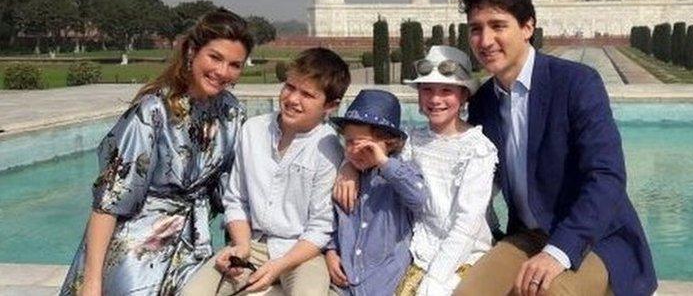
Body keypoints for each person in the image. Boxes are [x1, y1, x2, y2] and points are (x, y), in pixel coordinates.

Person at [454, 0, 657, 296]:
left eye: (497, 26)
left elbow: (607, 177)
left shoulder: (575, 84)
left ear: (527, 27)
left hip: (594, 238)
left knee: (549, 293)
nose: (485, 40)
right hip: (529, 236)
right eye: (476, 28)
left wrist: (559, 251)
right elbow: (457, 163)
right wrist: (357, 165)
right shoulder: (483, 103)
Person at [60, 8, 254, 296]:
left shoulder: (233, 114)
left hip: (194, 251)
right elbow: (109, 201)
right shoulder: (153, 112)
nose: (222, 72)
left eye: (234, 64)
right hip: (138, 251)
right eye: (215, 57)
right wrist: (92, 282)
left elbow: (234, 192)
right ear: (192, 51)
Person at [181, 47, 351, 296]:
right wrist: (240, 247)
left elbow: (320, 227)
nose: (293, 99)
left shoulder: (328, 148)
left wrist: (278, 266)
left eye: (307, 94)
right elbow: (236, 199)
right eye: (290, 87)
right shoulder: (253, 130)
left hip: (300, 253)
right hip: (252, 244)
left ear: (331, 106)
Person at [396, 45, 497, 296]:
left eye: (446, 91)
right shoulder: (412, 140)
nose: (435, 99)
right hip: (418, 251)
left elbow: (467, 222)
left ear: (463, 96)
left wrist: (435, 278)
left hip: (463, 256)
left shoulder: (477, 149)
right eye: (427, 90)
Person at [324, 89, 426, 296]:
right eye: (349, 142)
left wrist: (383, 162)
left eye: (366, 146)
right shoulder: (346, 179)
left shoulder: (399, 175)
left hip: (385, 282)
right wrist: (330, 251)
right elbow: (332, 222)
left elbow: (419, 198)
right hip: (346, 282)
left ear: (388, 144)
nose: (355, 151)